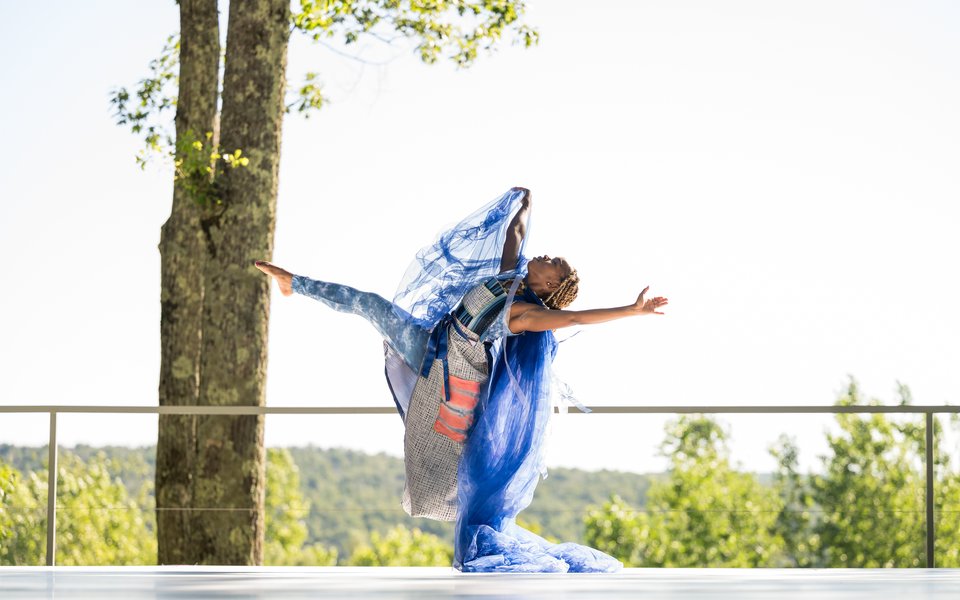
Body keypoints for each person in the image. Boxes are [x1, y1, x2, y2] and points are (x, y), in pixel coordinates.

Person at [256, 187, 667, 572]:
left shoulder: (525, 314)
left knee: (446, 439)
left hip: (456, 369)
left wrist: (631, 310)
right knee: (370, 304)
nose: (545, 257)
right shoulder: (512, 278)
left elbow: (575, 318)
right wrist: (523, 201)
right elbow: (516, 234)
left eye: (552, 262)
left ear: (550, 285)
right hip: (433, 339)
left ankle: (467, 507)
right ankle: (294, 284)